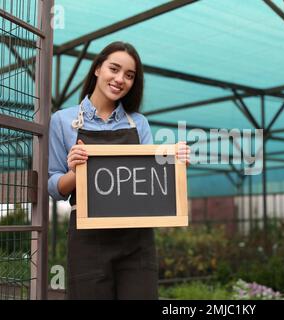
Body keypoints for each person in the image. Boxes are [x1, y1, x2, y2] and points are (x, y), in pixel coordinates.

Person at [48, 41, 190, 300]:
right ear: (97, 69)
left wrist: (174, 162)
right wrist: (76, 170)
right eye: (114, 69)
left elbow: (150, 177)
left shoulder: (139, 123)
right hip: (88, 239)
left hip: (136, 240)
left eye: (129, 75)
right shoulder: (63, 121)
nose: (120, 79)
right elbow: (54, 187)